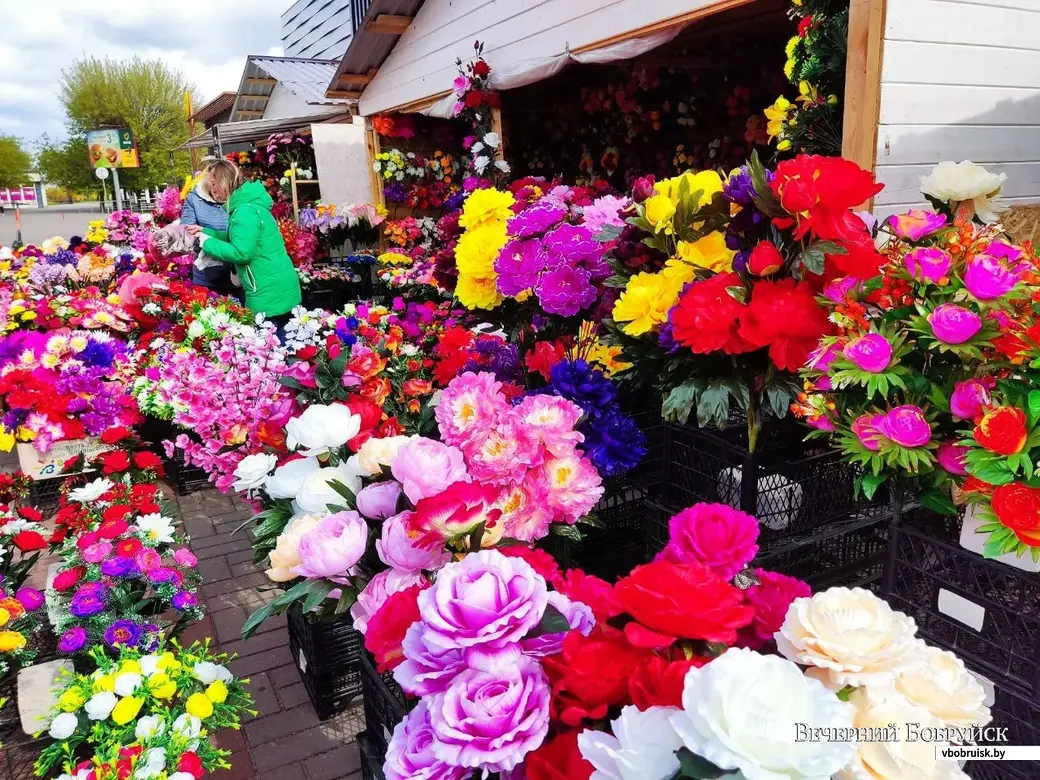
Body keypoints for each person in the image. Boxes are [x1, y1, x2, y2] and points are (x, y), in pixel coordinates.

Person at [187, 160, 301, 341]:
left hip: (265, 288)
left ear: (225, 182)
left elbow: (242, 252)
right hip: (276, 281)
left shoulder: (243, 211)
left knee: (270, 348)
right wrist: (206, 232)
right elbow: (241, 237)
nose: (212, 190)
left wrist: (205, 242)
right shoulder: (249, 205)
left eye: (215, 184)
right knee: (285, 340)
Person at [180, 160, 235, 296]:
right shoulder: (194, 199)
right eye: (213, 183)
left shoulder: (239, 201)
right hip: (206, 274)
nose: (215, 188)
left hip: (239, 272)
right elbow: (186, 232)